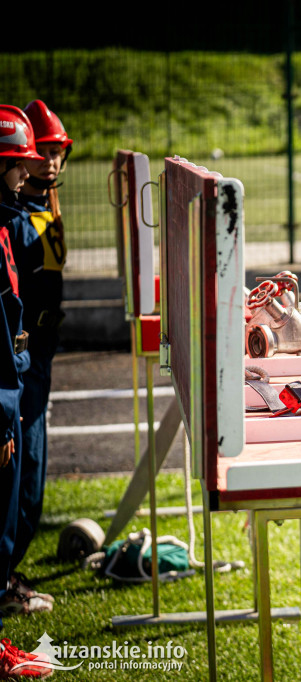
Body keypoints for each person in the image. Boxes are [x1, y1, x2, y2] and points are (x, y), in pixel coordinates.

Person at [4, 101, 72, 605]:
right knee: (20, 472)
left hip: (40, 354)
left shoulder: (46, 205)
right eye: (39, 154)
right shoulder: (14, 219)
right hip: (19, 360)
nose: (47, 163)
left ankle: (9, 573)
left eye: (55, 153)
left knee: (32, 469)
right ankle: (5, 578)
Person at [0, 104, 53, 678]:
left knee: (19, 501)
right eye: (17, 162)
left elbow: (48, 296)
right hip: (10, 384)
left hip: (24, 371)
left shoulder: (31, 212)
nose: (36, 168)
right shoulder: (14, 221)